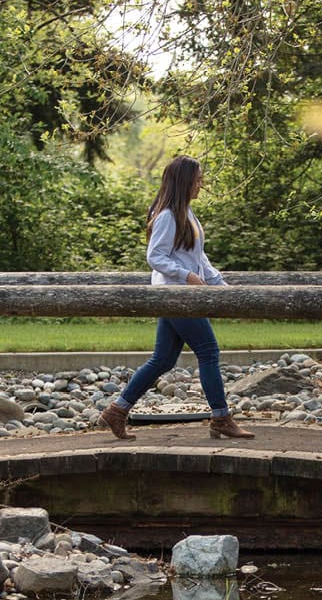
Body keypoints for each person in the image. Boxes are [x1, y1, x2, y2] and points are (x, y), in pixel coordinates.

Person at [98, 154, 254, 441]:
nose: (201, 184)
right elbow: (155, 256)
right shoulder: (168, 216)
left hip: (179, 295)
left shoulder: (187, 214)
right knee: (208, 352)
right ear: (184, 182)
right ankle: (221, 417)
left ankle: (117, 411)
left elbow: (198, 257)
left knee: (163, 360)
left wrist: (220, 285)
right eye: (197, 180)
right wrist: (187, 277)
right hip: (175, 296)